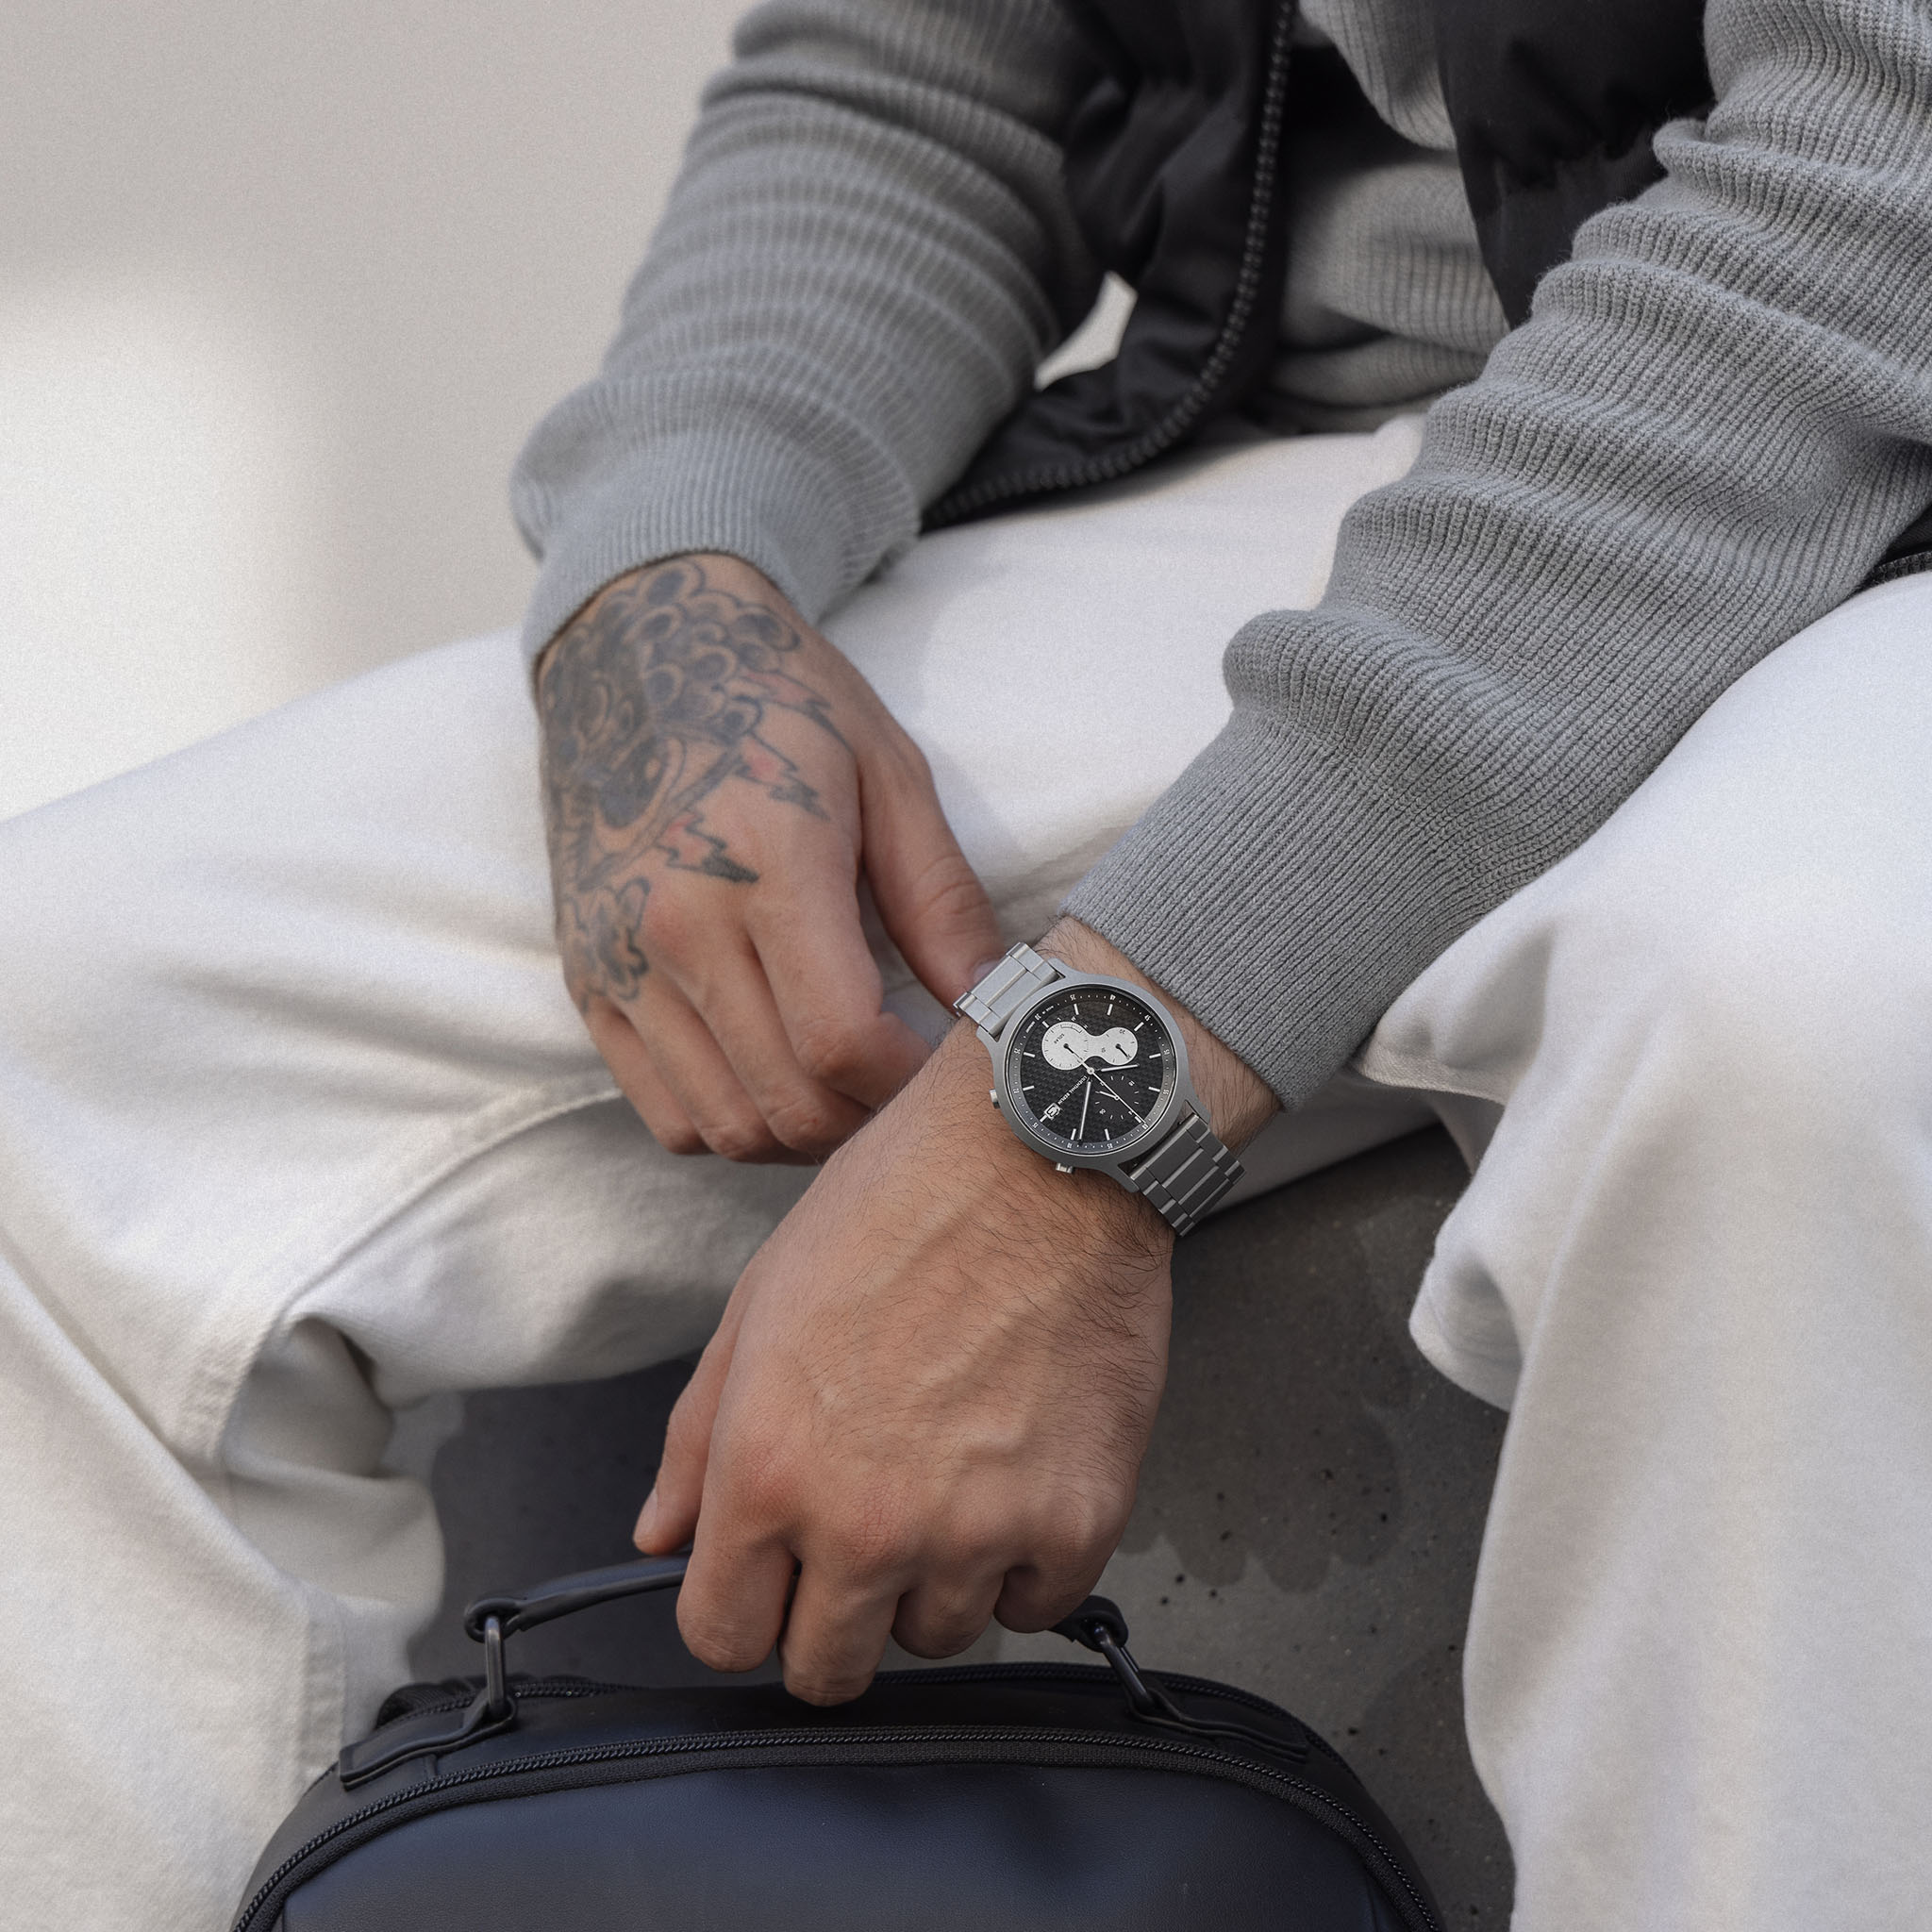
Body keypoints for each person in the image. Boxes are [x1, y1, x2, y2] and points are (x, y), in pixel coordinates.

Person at [4, 0, 1931, 1925]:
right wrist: (663, 589)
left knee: (1772, 1032)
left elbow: (1883, 166)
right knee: (56, 1010)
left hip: (1874, 411)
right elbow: (907, 69)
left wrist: (1065, 1137)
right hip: (1365, 448)